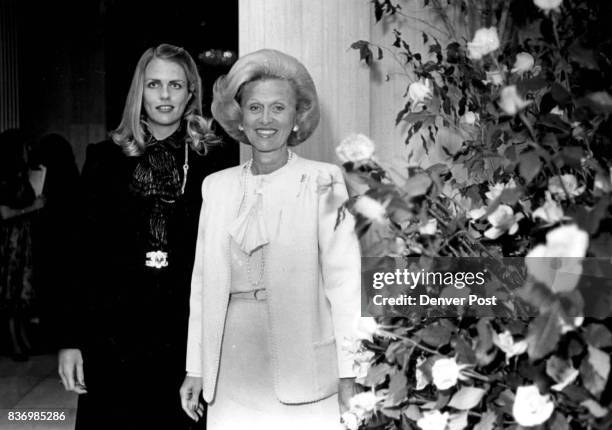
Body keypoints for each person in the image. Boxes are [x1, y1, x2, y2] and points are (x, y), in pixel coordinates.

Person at [180, 49, 361, 429]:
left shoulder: (323, 181)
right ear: (239, 117)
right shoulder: (216, 187)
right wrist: (195, 368)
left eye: (279, 108)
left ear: (297, 117)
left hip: (304, 371)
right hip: (231, 367)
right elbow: (202, 286)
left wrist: (350, 373)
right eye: (255, 108)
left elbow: (346, 286)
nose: (266, 120)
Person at [57, 44, 229, 429]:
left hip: (184, 335)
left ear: (190, 94)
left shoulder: (215, 162)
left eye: (175, 85)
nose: (164, 95)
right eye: (154, 84)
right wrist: (71, 339)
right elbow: (79, 256)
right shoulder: (103, 158)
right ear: (140, 91)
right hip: (113, 335)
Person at [0, 129, 43, 361]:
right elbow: (5, 213)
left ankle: (22, 338)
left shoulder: (19, 175)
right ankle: (14, 341)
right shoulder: (5, 177)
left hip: (21, 241)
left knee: (21, 291)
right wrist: (33, 207)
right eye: (25, 147)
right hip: (11, 243)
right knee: (11, 290)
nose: (28, 151)